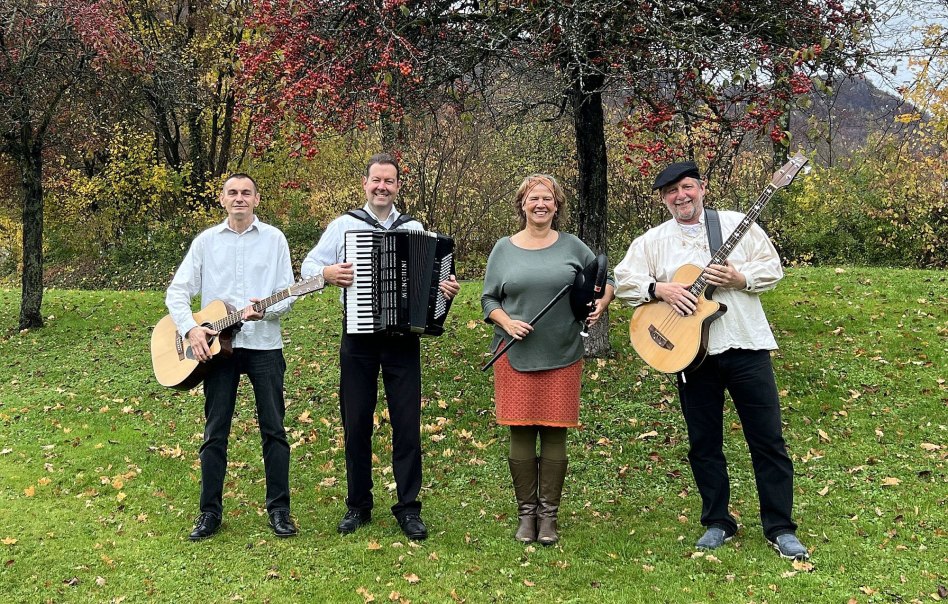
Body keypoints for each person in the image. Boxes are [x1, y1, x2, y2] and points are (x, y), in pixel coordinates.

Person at [613, 160, 809, 560]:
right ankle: (718, 521)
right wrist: (659, 289)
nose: (680, 196)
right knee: (704, 443)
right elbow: (624, 280)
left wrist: (740, 279)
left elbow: (773, 269)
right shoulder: (653, 240)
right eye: (671, 192)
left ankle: (780, 526)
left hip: (745, 345)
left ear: (702, 188)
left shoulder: (739, 223)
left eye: (687, 187)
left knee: (767, 439)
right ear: (664, 199)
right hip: (689, 354)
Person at [301, 153, 460, 541]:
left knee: (407, 425)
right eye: (376, 180)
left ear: (397, 187)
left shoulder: (415, 228)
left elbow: (433, 279)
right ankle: (358, 505)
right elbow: (307, 266)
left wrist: (445, 289)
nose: (382, 187)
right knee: (356, 422)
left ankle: (408, 508)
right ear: (365, 183)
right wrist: (327, 273)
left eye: (389, 181)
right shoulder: (344, 225)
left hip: (403, 341)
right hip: (358, 339)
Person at [481, 174, 615, 546]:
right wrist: (507, 322)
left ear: (557, 206)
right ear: (522, 204)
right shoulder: (503, 249)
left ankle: (548, 516)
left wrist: (601, 304)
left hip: (563, 351)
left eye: (548, 199)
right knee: (521, 430)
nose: (540, 204)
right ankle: (526, 515)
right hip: (515, 353)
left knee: (555, 431)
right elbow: (488, 299)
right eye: (533, 198)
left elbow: (605, 282)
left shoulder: (574, 246)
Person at [166, 173, 299, 541]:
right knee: (215, 431)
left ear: (257, 199)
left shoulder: (275, 240)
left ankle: (279, 511)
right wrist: (189, 329)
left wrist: (266, 310)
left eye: (246, 193)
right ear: (222, 200)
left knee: (274, 429)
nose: (239, 198)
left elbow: (287, 295)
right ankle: (209, 513)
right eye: (232, 193)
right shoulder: (206, 242)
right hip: (217, 351)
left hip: (264, 346)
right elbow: (177, 292)